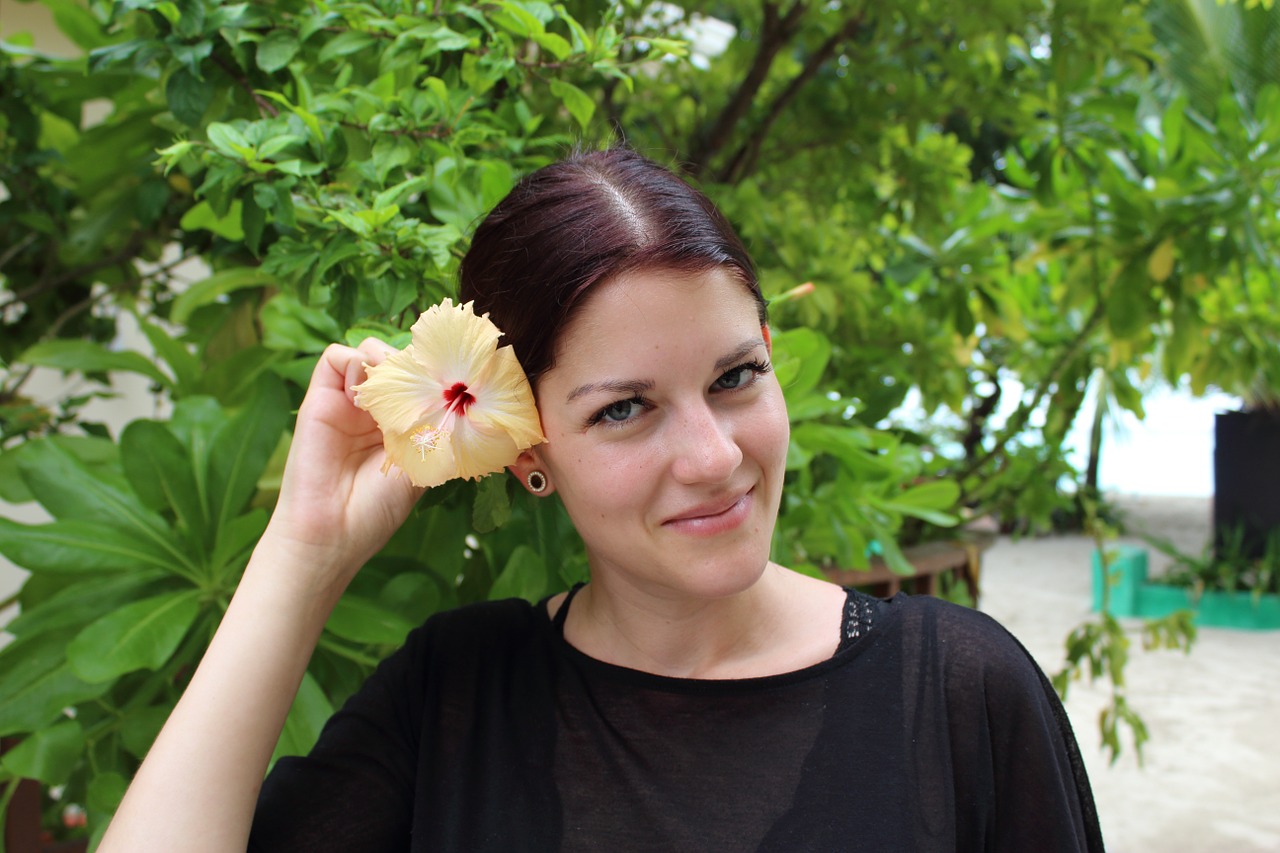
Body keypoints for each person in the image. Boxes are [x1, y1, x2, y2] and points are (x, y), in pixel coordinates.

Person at [100, 148, 1105, 852]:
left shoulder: (957, 695)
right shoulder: (455, 701)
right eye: (625, 408)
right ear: (527, 448)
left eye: (735, 376)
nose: (713, 458)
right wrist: (304, 550)